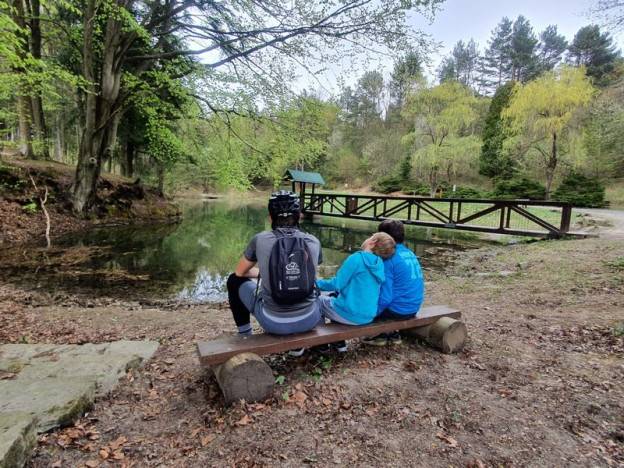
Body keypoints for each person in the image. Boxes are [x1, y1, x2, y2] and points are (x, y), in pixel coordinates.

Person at [226, 190, 323, 339]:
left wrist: (267, 273)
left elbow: (240, 273)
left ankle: (244, 335)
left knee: (233, 280)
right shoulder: (313, 241)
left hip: (272, 322)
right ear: (300, 215)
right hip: (310, 319)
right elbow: (309, 273)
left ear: (270, 217)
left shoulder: (259, 240)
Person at [316, 232, 395, 345]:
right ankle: (339, 343)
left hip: (351, 315)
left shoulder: (357, 258)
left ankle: (320, 343)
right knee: (334, 298)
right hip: (368, 316)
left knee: (318, 301)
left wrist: (315, 283)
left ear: (372, 243)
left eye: (370, 237)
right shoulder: (379, 263)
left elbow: (336, 284)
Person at [362, 219, 425, 347]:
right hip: (413, 308)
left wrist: (372, 313)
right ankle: (393, 334)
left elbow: (385, 298)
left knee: (366, 300)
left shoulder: (388, 258)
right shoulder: (409, 252)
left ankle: (380, 334)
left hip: (397, 311)